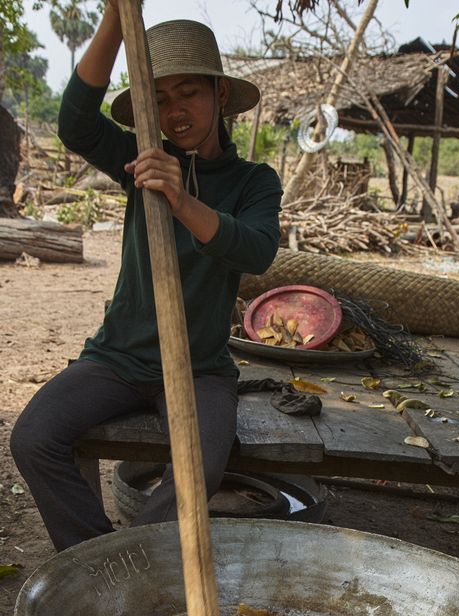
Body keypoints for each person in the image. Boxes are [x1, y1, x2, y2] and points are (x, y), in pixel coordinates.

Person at [10, 4, 282, 555]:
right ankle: (93, 562)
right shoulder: (140, 159)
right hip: (119, 358)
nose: (175, 110)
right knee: (33, 438)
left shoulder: (254, 180)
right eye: (158, 98)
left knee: (197, 471)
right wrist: (115, 15)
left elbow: (255, 251)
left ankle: (135, 561)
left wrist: (180, 200)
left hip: (201, 367)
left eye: (189, 93)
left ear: (220, 96)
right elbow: (75, 123)